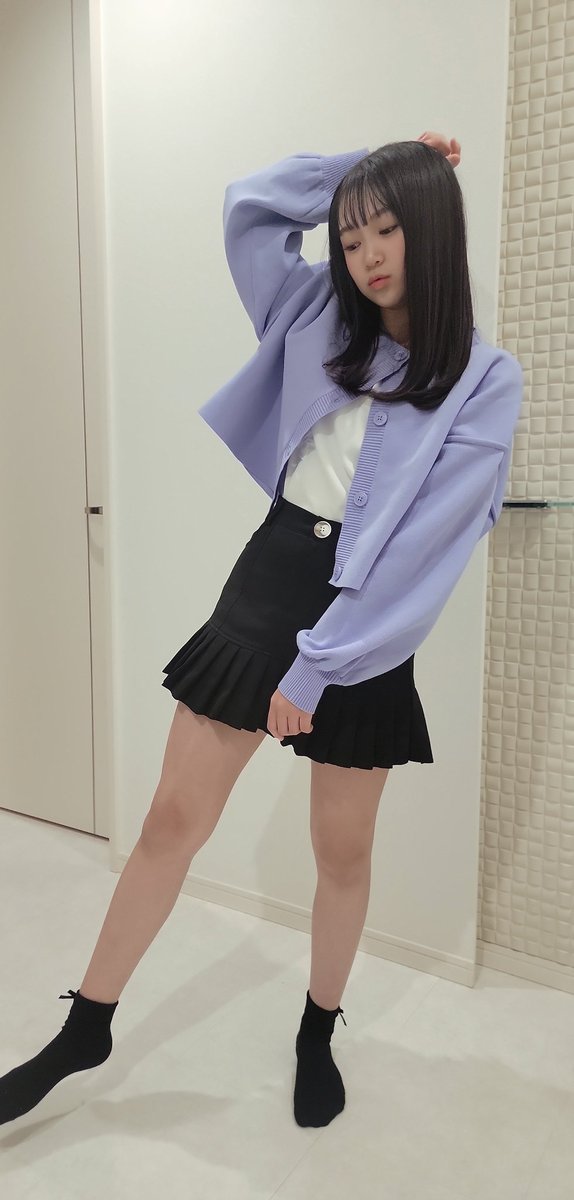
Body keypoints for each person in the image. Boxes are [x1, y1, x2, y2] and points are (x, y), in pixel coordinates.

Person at [0, 130, 523, 1131]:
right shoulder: (313, 311)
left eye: (387, 229)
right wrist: (363, 164)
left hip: (367, 620)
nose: (366, 254)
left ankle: (317, 1029)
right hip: (269, 579)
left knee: (342, 851)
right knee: (171, 820)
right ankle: (86, 1025)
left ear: (431, 228)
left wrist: (320, 667)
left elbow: (423, 558)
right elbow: (250, 208)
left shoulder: (484, 378)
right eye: (351, 236)